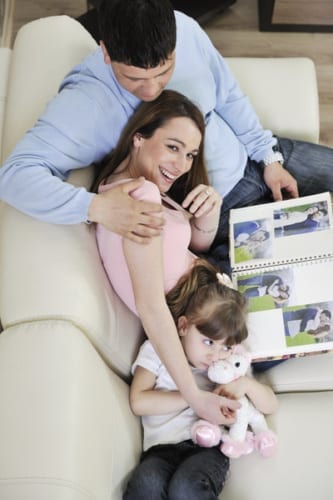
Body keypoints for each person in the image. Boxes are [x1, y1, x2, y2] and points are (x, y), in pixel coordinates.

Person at [1, 0, 333, 261]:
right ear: (105, 52)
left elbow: (228, 94)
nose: (152, 90)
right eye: (134, 79)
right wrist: (95, 208)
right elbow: (14, 176)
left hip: (255, 158)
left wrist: (268, 157)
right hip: (218, 216)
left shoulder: (185, 30)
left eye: (164, 72)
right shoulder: (86, 104)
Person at [95, 88, 242, 426]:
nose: (181, 165)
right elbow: (150, 306)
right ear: (138, 137)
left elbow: (195, 248)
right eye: (173, 147)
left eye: (190, 154)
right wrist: (194, 396)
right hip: (211, 318)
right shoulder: (140, 197)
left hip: (213, 282)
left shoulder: (133, 185)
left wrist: (210, 213)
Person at [123, 261, 278, 500]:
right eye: (208, 342)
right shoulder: (157, 349)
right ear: (183, 326)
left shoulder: (228, 365)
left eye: (225, 347)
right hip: (160, 450)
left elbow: (270, 405)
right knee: (147, 484)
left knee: (186, 488)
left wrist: (246, 385)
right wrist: (194, 398)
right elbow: (139, 402)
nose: (215, 355)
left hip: (210, 447)